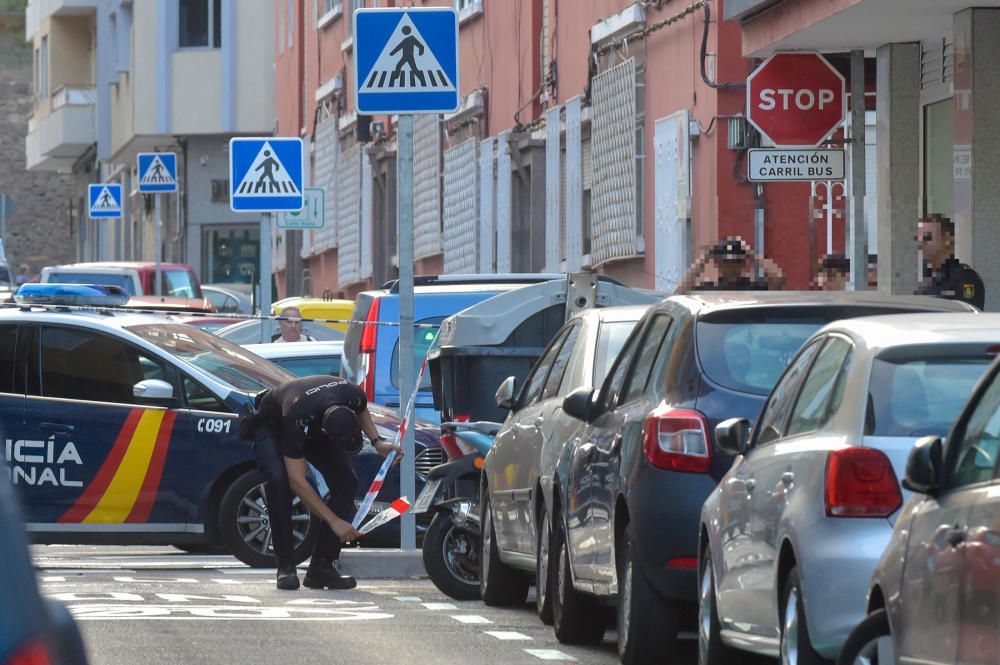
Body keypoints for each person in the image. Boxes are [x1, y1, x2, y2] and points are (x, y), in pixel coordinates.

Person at [240, 375, 402, 590]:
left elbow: (362, 411)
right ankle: (286, 566)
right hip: (274, 425)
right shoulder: (296, 416)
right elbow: (296, 481)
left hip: (315, 421)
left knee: (346, 481)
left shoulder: (352, 394)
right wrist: (333, 520)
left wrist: (377, 441)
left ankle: (321, 567)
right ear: (327, 432)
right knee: (279, 482)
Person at [914, 214, 985, 310]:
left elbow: (968, 320)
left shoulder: (965, 277)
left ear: (947, 240)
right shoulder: (928, 279)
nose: (920, 244)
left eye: (927, 237)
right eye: (918, 239)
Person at [673, 236, 785, 294]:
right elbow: (680, 292)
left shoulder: (754, 287)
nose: (731, 267)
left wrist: (750, 253)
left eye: (736, 262)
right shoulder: (710, 289)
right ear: (719, 265)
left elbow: (778, 277)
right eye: (726, 262)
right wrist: (706, 257)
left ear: (742, 264)